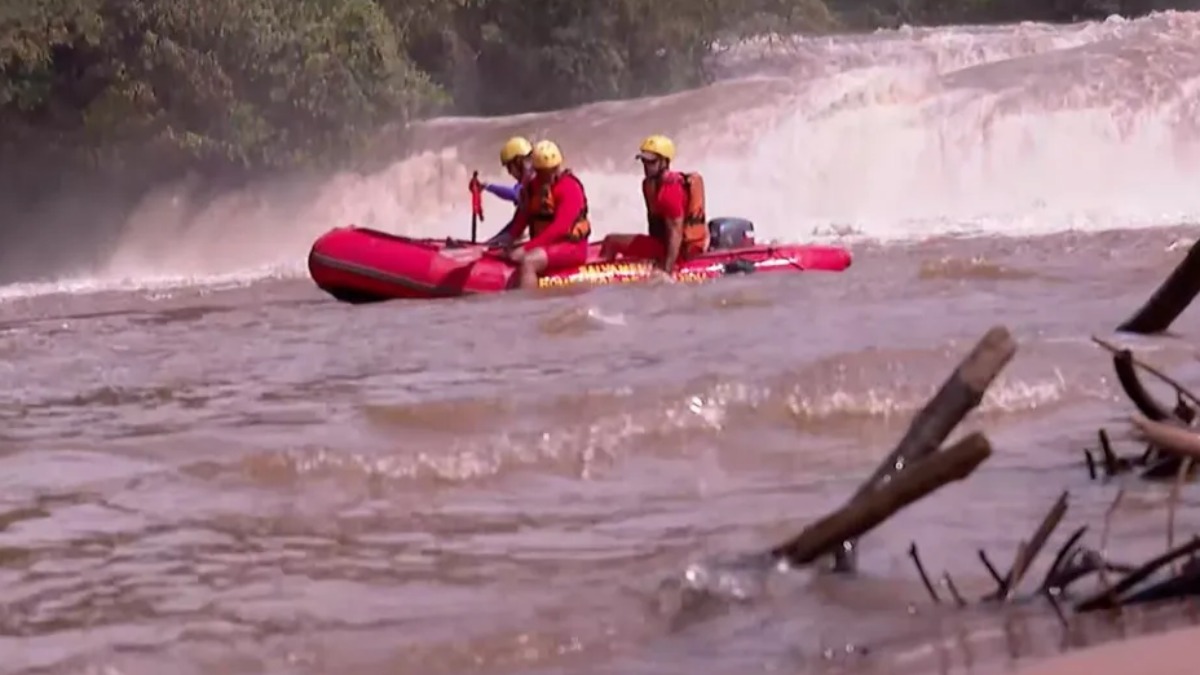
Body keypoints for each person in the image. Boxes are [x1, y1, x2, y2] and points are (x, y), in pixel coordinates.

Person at [599, 134, 710, 273]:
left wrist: (667, 270)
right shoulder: (650, 184)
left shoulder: (670, 190)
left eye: (651, 162)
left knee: (611, 241)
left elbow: (676, 232)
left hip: (679, 250)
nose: (646, 166)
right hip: (661, 244)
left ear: (664, 162)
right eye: (644, 161)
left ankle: (599, 274)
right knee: (611, 241)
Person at [501, 140, 592, 289]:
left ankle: (531, 309)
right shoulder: (532, 187)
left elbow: (560, 228)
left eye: (552, 170)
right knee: (511, 253)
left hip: (571, 247)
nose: (549, 176)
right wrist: (508, 242)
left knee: (529, 262)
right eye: (543, 172)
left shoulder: (569, 187)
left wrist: (526, 249)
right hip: (545, 245)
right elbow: (522, 220)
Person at [480, 136, 536, 246]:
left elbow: (514, 195)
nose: (510, 173)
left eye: (510, 168)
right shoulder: (526, 182)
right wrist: (491, 242)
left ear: (518, 162)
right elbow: (514, 226)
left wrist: (489, 187)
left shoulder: (535, 179)